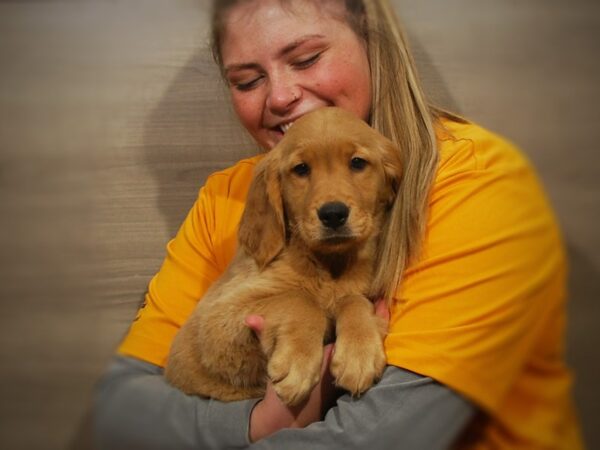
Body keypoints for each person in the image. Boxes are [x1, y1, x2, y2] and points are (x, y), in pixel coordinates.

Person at [93, 0, 584, 448]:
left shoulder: (476, 180)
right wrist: (257, 424)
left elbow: (380, 439)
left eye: (306, 59)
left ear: (374, 42)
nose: (281, 96)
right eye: (247, 80)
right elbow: (121, 412)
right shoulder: (229, 192)